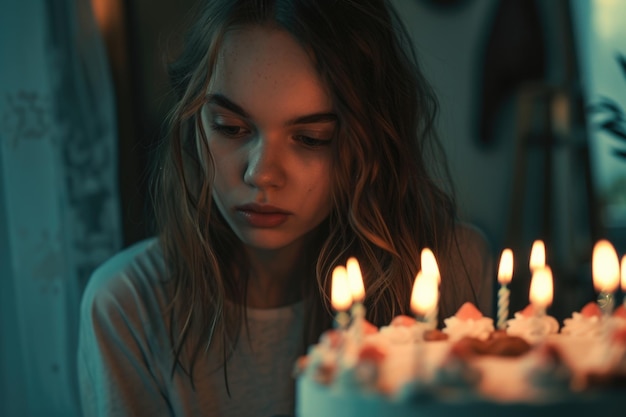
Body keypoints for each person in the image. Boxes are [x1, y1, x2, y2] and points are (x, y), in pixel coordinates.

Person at [77, 0, 494, 416]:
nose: (262, 175)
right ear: (192, 123)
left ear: (372, 144)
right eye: (231, 128)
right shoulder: (129, 306)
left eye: (311, 137)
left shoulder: (447, 271)